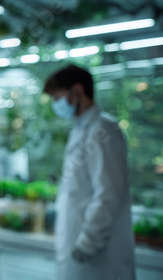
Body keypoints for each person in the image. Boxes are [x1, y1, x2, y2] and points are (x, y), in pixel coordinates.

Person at [43, 64, 135, 280]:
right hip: (79, 252)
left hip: (99, 256)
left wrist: (88, 243)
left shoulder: (103, 130)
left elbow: (108, 195)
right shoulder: (81, 129)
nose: (56, 104)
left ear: (77, 91)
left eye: (58, 97)